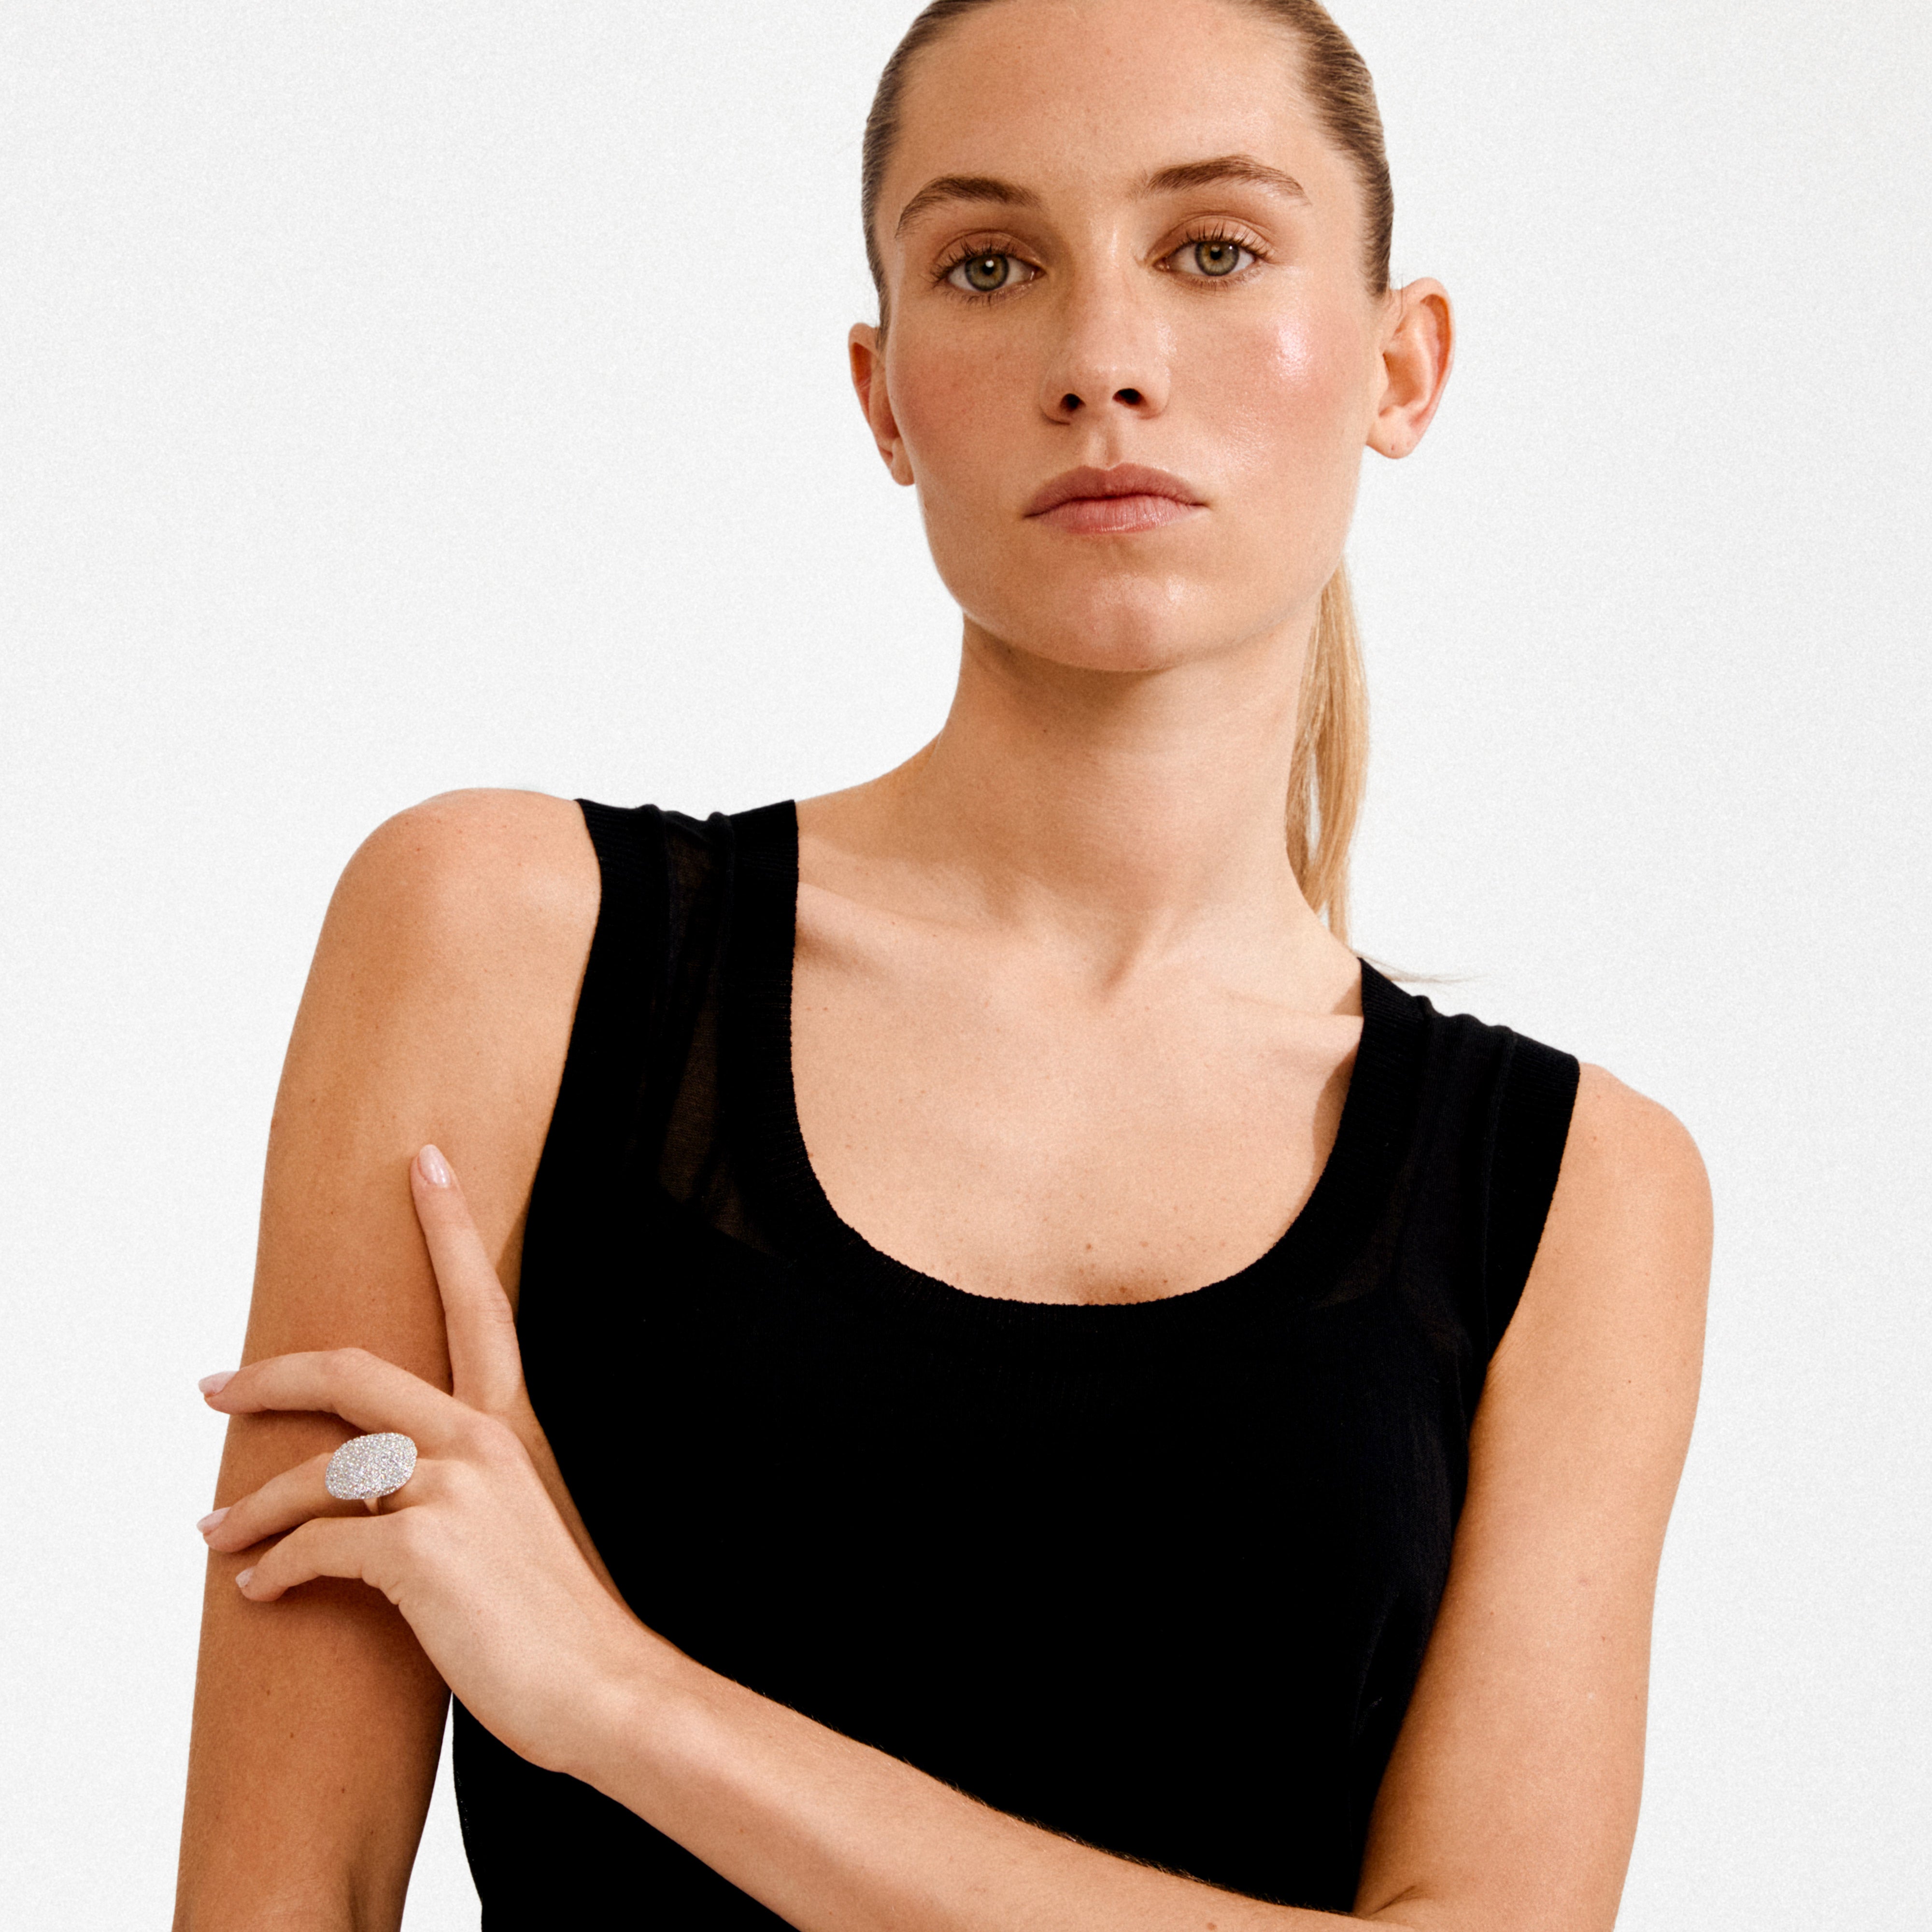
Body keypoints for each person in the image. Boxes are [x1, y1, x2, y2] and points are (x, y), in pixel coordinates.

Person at [172, 0, 1711, 1926]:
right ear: (883, 395)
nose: (1102, 361)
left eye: (1212, 248)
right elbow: (274, 1900)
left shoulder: (1571, 1191)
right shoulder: (503, 939)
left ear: (1403, 365)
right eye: (990, 265)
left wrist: (625, 1704)